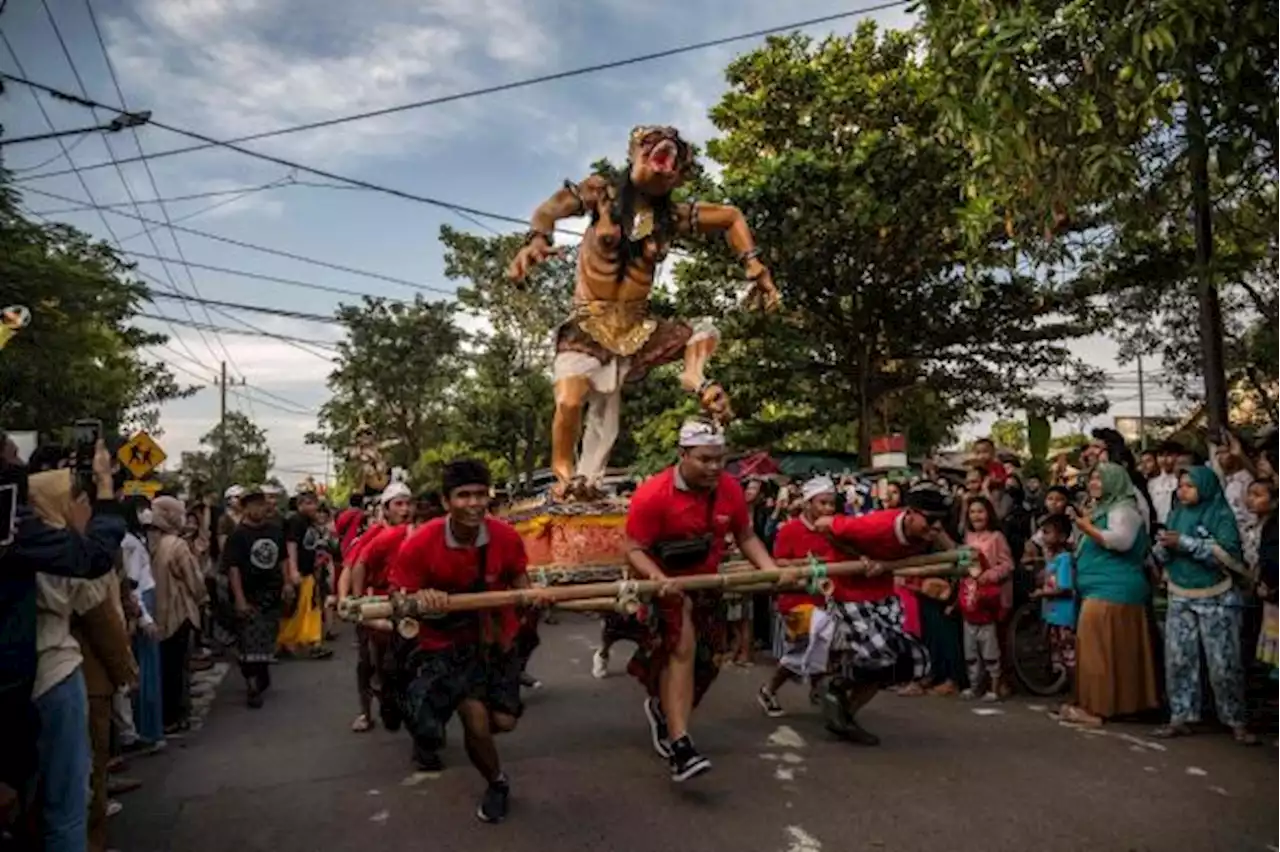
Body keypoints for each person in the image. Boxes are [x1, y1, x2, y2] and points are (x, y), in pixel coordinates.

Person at [623, 420, 780, 781]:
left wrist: (771, 569)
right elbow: (632, 548)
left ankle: (664, 712)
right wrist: (658, 580)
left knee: (708, 662)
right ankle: (681, 747)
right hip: (664, 585)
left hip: (708, 582)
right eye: (705, 459)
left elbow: (745, 535)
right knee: (682, 649)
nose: (713, 468)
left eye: (719, 460)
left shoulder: (729, 489)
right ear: (682, 455)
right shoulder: (652, 494)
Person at [388, 460, 537, 824]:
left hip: (496, 639)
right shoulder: (421, 542)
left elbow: (518, 577)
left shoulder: (505, 536)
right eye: (463, 495)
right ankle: (497, 782)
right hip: (445, 644)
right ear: (445, 501)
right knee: (475, 718)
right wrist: (422, 597)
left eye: (480, 494)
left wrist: (529, 596)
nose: (473, 503)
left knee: (503, 721)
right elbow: (398, 596)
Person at [802, 487, 946, 740]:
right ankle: (837, 683)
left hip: (882, 594)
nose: (935, 527)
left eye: (940, 520)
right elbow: (823, 525)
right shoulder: (875, 525)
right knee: (879, 655)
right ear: (910, 514)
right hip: (848, 592)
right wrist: (861, 557)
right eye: (930, 520)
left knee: (909, 660)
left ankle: (845, 713)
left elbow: (953, 548)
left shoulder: (929, 532)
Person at [1152, 466, 1255, 744]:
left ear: (1205, 487)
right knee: (1178, 660)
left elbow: (1228, 555)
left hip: (1217, 595)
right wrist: (1163, 547)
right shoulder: (1176, 513)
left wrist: (1185, 543)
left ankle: (1236, 721)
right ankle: (1181, 717)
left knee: (1224, 663)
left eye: (1190, 486)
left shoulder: (1221, 515)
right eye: (1181, 485)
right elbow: (1164, 555)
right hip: (1180, 592)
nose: (1182, 490)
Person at [1059, 463, 1159, 726]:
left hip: (1112, 590)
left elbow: (1120, 541)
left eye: (1100, 479)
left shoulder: (1124, 509)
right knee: (1117, 652)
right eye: (1091, 478)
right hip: (1108, 590)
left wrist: (1086, 526)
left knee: (1096, 652)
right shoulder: (1106, 509)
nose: (1093, 483)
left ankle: (1095, 709)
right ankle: (1121, 706)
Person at [757, 476, 837, 717]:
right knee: (809, 643)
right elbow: (778, 562)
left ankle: (815, 688)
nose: (828, 509)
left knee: (825, 644)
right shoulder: (789, 530)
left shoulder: (834, 529)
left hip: (828, 600)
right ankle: (770, 689)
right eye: (822, 503)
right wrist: (808, 564)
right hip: (796, 601)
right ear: (808, 503)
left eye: (831, 504)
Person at [345, 483, 413, 734]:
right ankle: (365, 711)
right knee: (368, 662)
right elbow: (354, 567)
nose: (405, 509)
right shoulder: (374, 535)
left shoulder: (415, 532)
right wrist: (357, 601)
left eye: (408, 503)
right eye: (399, 504)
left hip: (407, 604)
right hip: (377, 604)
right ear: (386, 509)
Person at [222, 486, 290, 708]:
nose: (257, 509)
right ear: (244, 508)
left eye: (260, 504)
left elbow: (283, 559)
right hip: (249, 594)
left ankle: (261, 673)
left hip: (272, 593)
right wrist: (240, 599)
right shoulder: (238, 536)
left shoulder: (275, 531)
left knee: (266, 638)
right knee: (248, 641)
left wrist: (288, 583)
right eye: (252, 504)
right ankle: (252, 686)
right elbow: (233, 569)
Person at [149, 496, 207, 734]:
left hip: (156, 612)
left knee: (164, 666)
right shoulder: (177, 545)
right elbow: (193, 580)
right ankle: (176, 715)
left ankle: (164, 716)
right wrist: (202, 598)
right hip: (179, 611)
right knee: (178, 667)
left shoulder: (151, 541)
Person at [119, 500, 163, 750]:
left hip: (143, 602)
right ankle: (147, 731)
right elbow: (133, 584)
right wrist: (144, 617)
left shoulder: (134, 540)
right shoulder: (129, 543)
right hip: (142, 604)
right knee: (145, 672)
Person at [959, 497, 1011, 701]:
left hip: (989, 601)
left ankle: (994, 687)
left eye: (980, 511)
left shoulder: (996, 537)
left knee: (990, 647)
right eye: (972, 512)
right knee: (971, 649)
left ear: (989, 513)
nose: (976, 516)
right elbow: (963, 565)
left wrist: (989, 576)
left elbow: (1008, 565)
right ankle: (974, 686)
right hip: (969, 599)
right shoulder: (968, 537)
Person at [277, 491, 330, 659]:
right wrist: (293, 570)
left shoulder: (310, 523)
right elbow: (290, 544)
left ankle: (314, 642)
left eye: (313, 503)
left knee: (312, 607)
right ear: (299, 505)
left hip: (309, 572)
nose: (312, 507)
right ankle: (285, 641)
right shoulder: (296, 521)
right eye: (307, 503)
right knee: (295, 609)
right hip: (298, 572)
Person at [1030, 514, 1077, 683]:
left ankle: (1076, 693)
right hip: (1053, 616)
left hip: (1063, 617)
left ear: (1062, 536)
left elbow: (1064, 588)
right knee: (1057, 656)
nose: (1043, 536)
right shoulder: (1054, 559)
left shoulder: (1064, 560)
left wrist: (1042, 594)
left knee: (1069, 656)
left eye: (1047, 532)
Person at [1148, 441, 1182, 526]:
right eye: (1161, 455)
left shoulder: (1181, 481)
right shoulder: (1152, 483)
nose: (1164, 459)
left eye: (1169, 455)